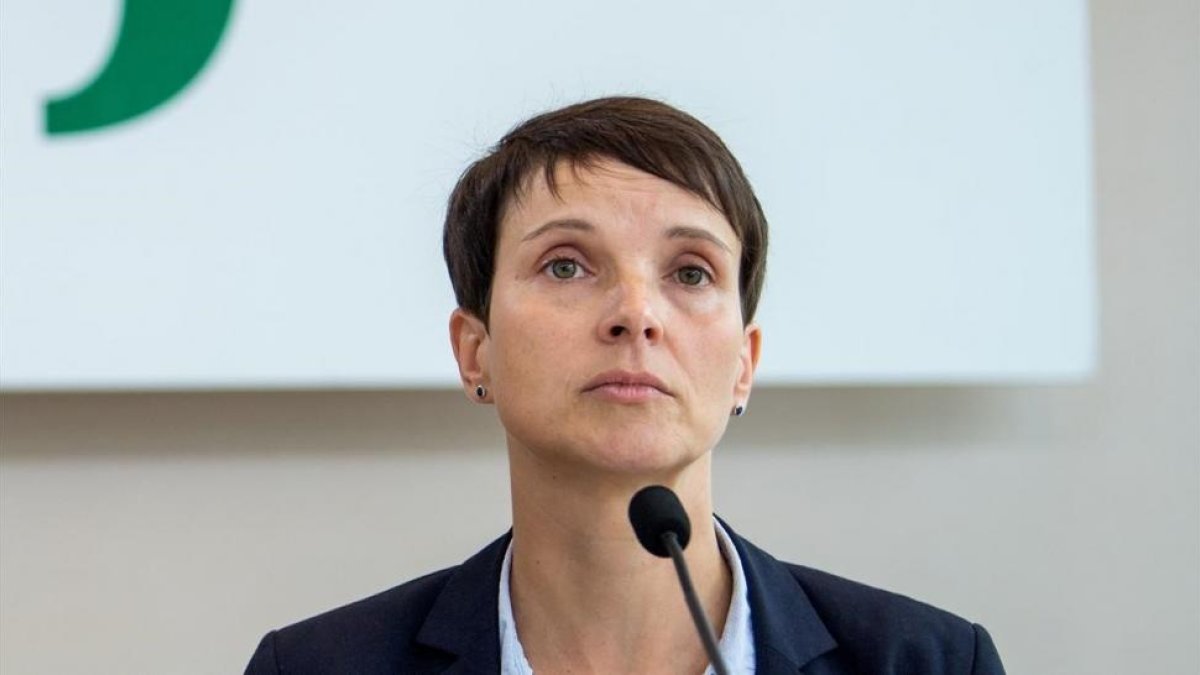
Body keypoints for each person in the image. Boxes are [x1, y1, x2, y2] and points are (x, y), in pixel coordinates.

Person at [244, 97, 1006, 674]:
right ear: (475, 352)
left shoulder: (928, 661)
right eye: (567, 265)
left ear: (744, 363)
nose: (636, 314)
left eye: (690, 273)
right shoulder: (318, 666)